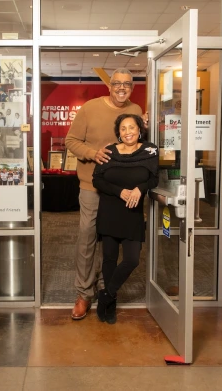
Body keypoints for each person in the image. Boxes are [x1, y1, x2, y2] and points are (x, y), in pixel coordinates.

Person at [65, 68, 144, 320]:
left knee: (111, 241)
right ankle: (83, 293)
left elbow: (138, 147)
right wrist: (93, 153)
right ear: (109, 86)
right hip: (92, 186)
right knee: (87, 237)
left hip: (121, 191)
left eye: (127, 84)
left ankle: (106, 289)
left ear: (132, 87)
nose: (122, 88)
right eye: (117, 83)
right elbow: (71, 141)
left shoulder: (137, 111)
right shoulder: (89, 108)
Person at [92, 114, 158, 324]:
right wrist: (120, 192)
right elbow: (97, 179)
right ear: (118, 133)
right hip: (110, 211)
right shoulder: (110, 151)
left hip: (132, 213)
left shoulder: (150, 150)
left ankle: (106, 295)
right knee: (109, 260)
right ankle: (111, 305)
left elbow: (155, 177)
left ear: (140, 129)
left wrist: (141, 188)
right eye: (123, 128)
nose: (128, 131)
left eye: (132, 127)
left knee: (132, 259)